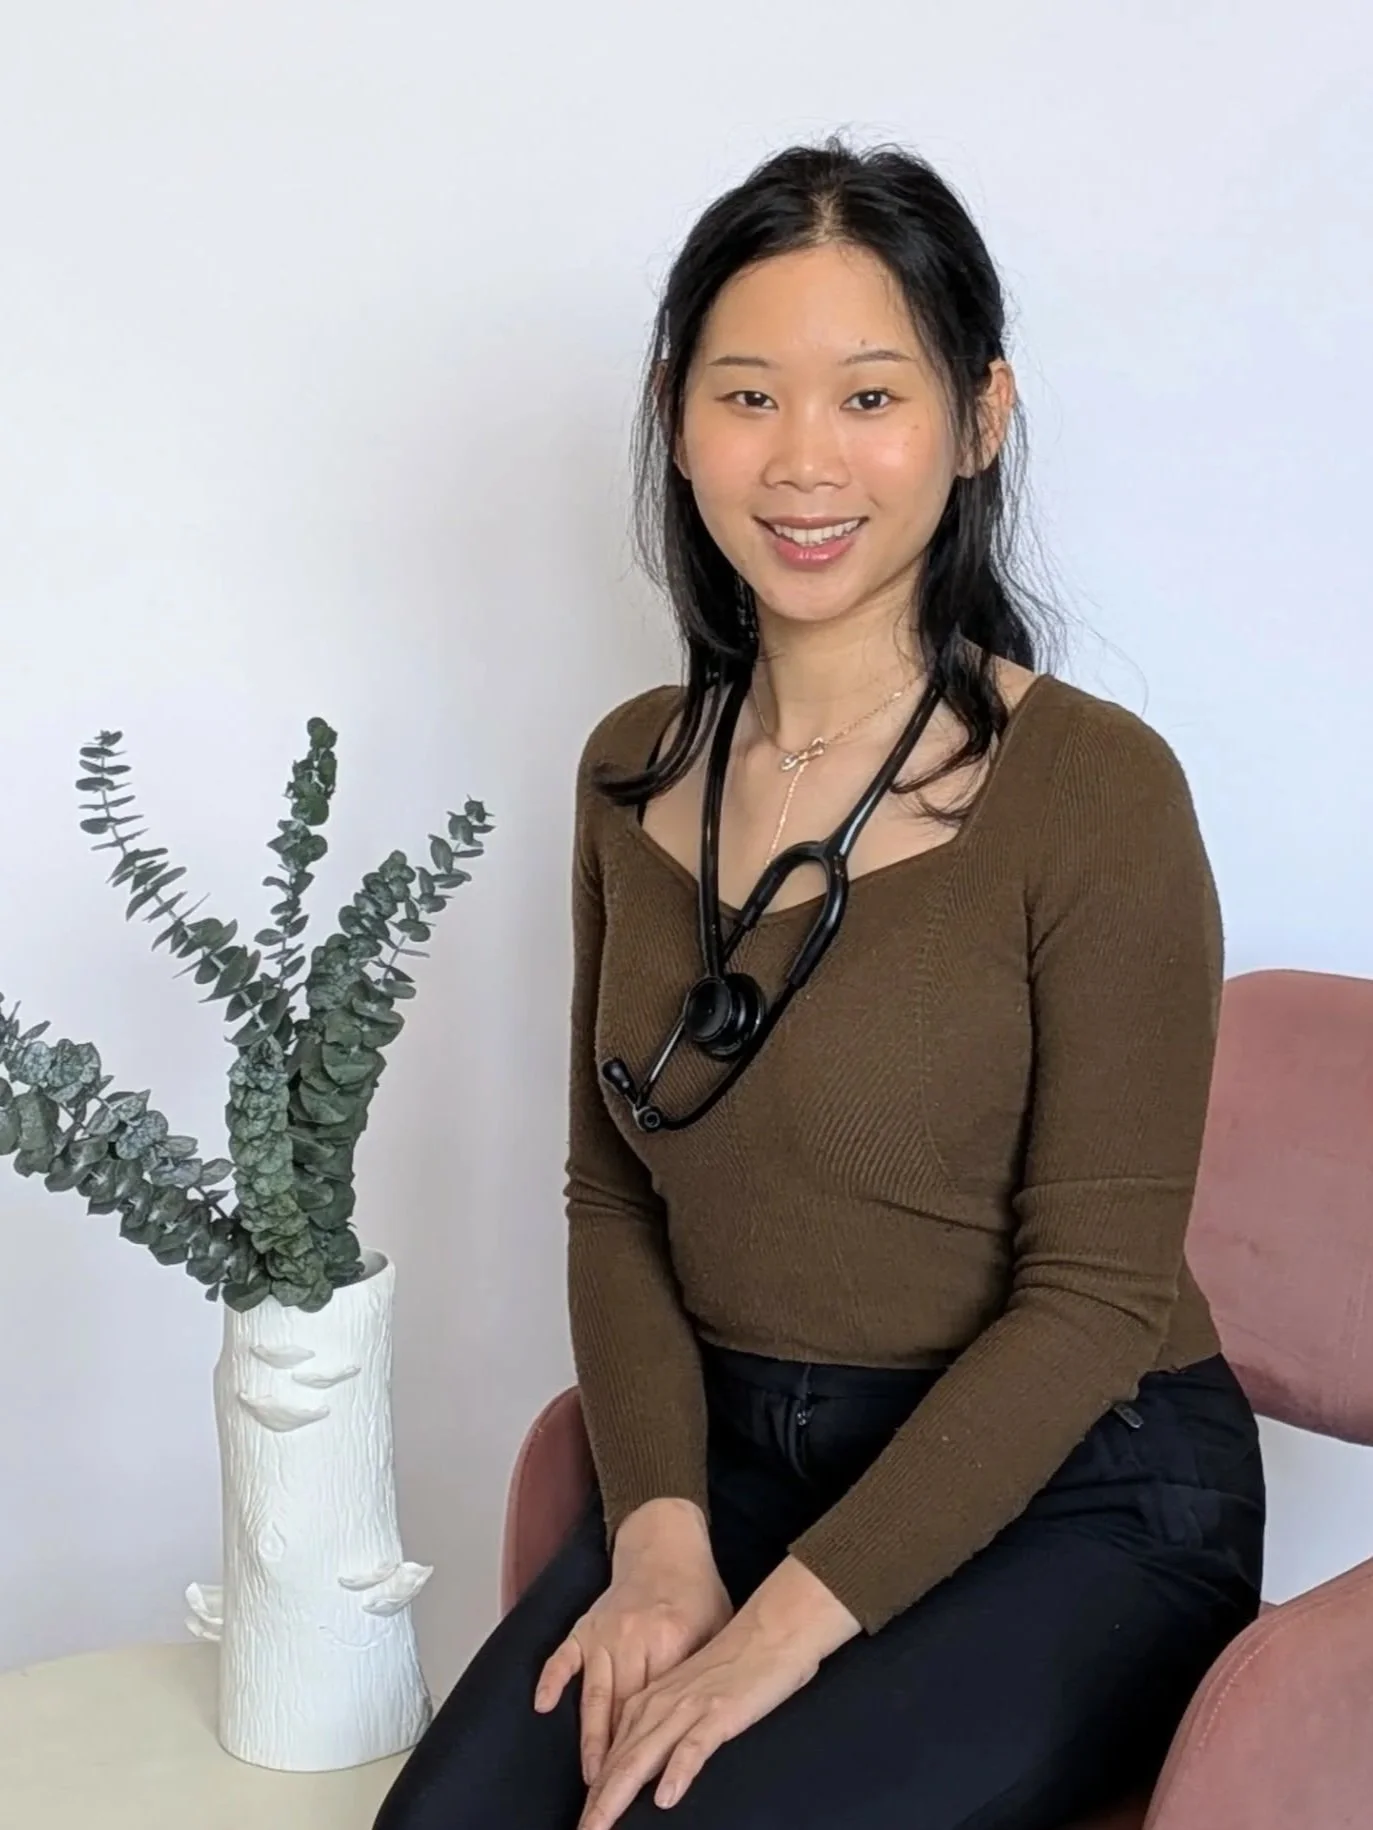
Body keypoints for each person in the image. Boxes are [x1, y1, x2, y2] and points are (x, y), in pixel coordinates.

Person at [372, 134, 1266, 1830]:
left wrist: (776, 1629)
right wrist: (655, 1547)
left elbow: (1086, 1302)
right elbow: (610, 1195)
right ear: (674, 414)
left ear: (979, 417)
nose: (802, 463)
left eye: (869, 396)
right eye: (747, 395)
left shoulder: (1097, 793)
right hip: (743, 1458)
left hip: (1081, 1481)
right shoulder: (630, 773)